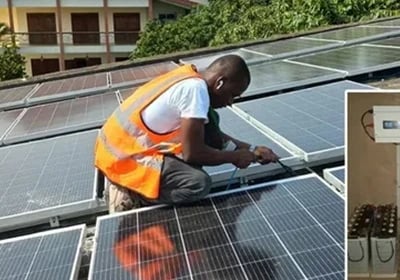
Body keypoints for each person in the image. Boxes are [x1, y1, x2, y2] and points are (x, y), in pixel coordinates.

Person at [94, 54, 279, 213]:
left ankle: (139, 185)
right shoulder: (195, 91)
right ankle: (133, 193)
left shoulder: (190, 78)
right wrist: (234, 157)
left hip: (117, 150)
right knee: (197, 182)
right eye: (233, 95)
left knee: (205, 143)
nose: (230, 102)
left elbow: (215, 138)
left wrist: (253, 150)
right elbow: (193, 154)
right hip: (124, 160)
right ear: (220, 83)